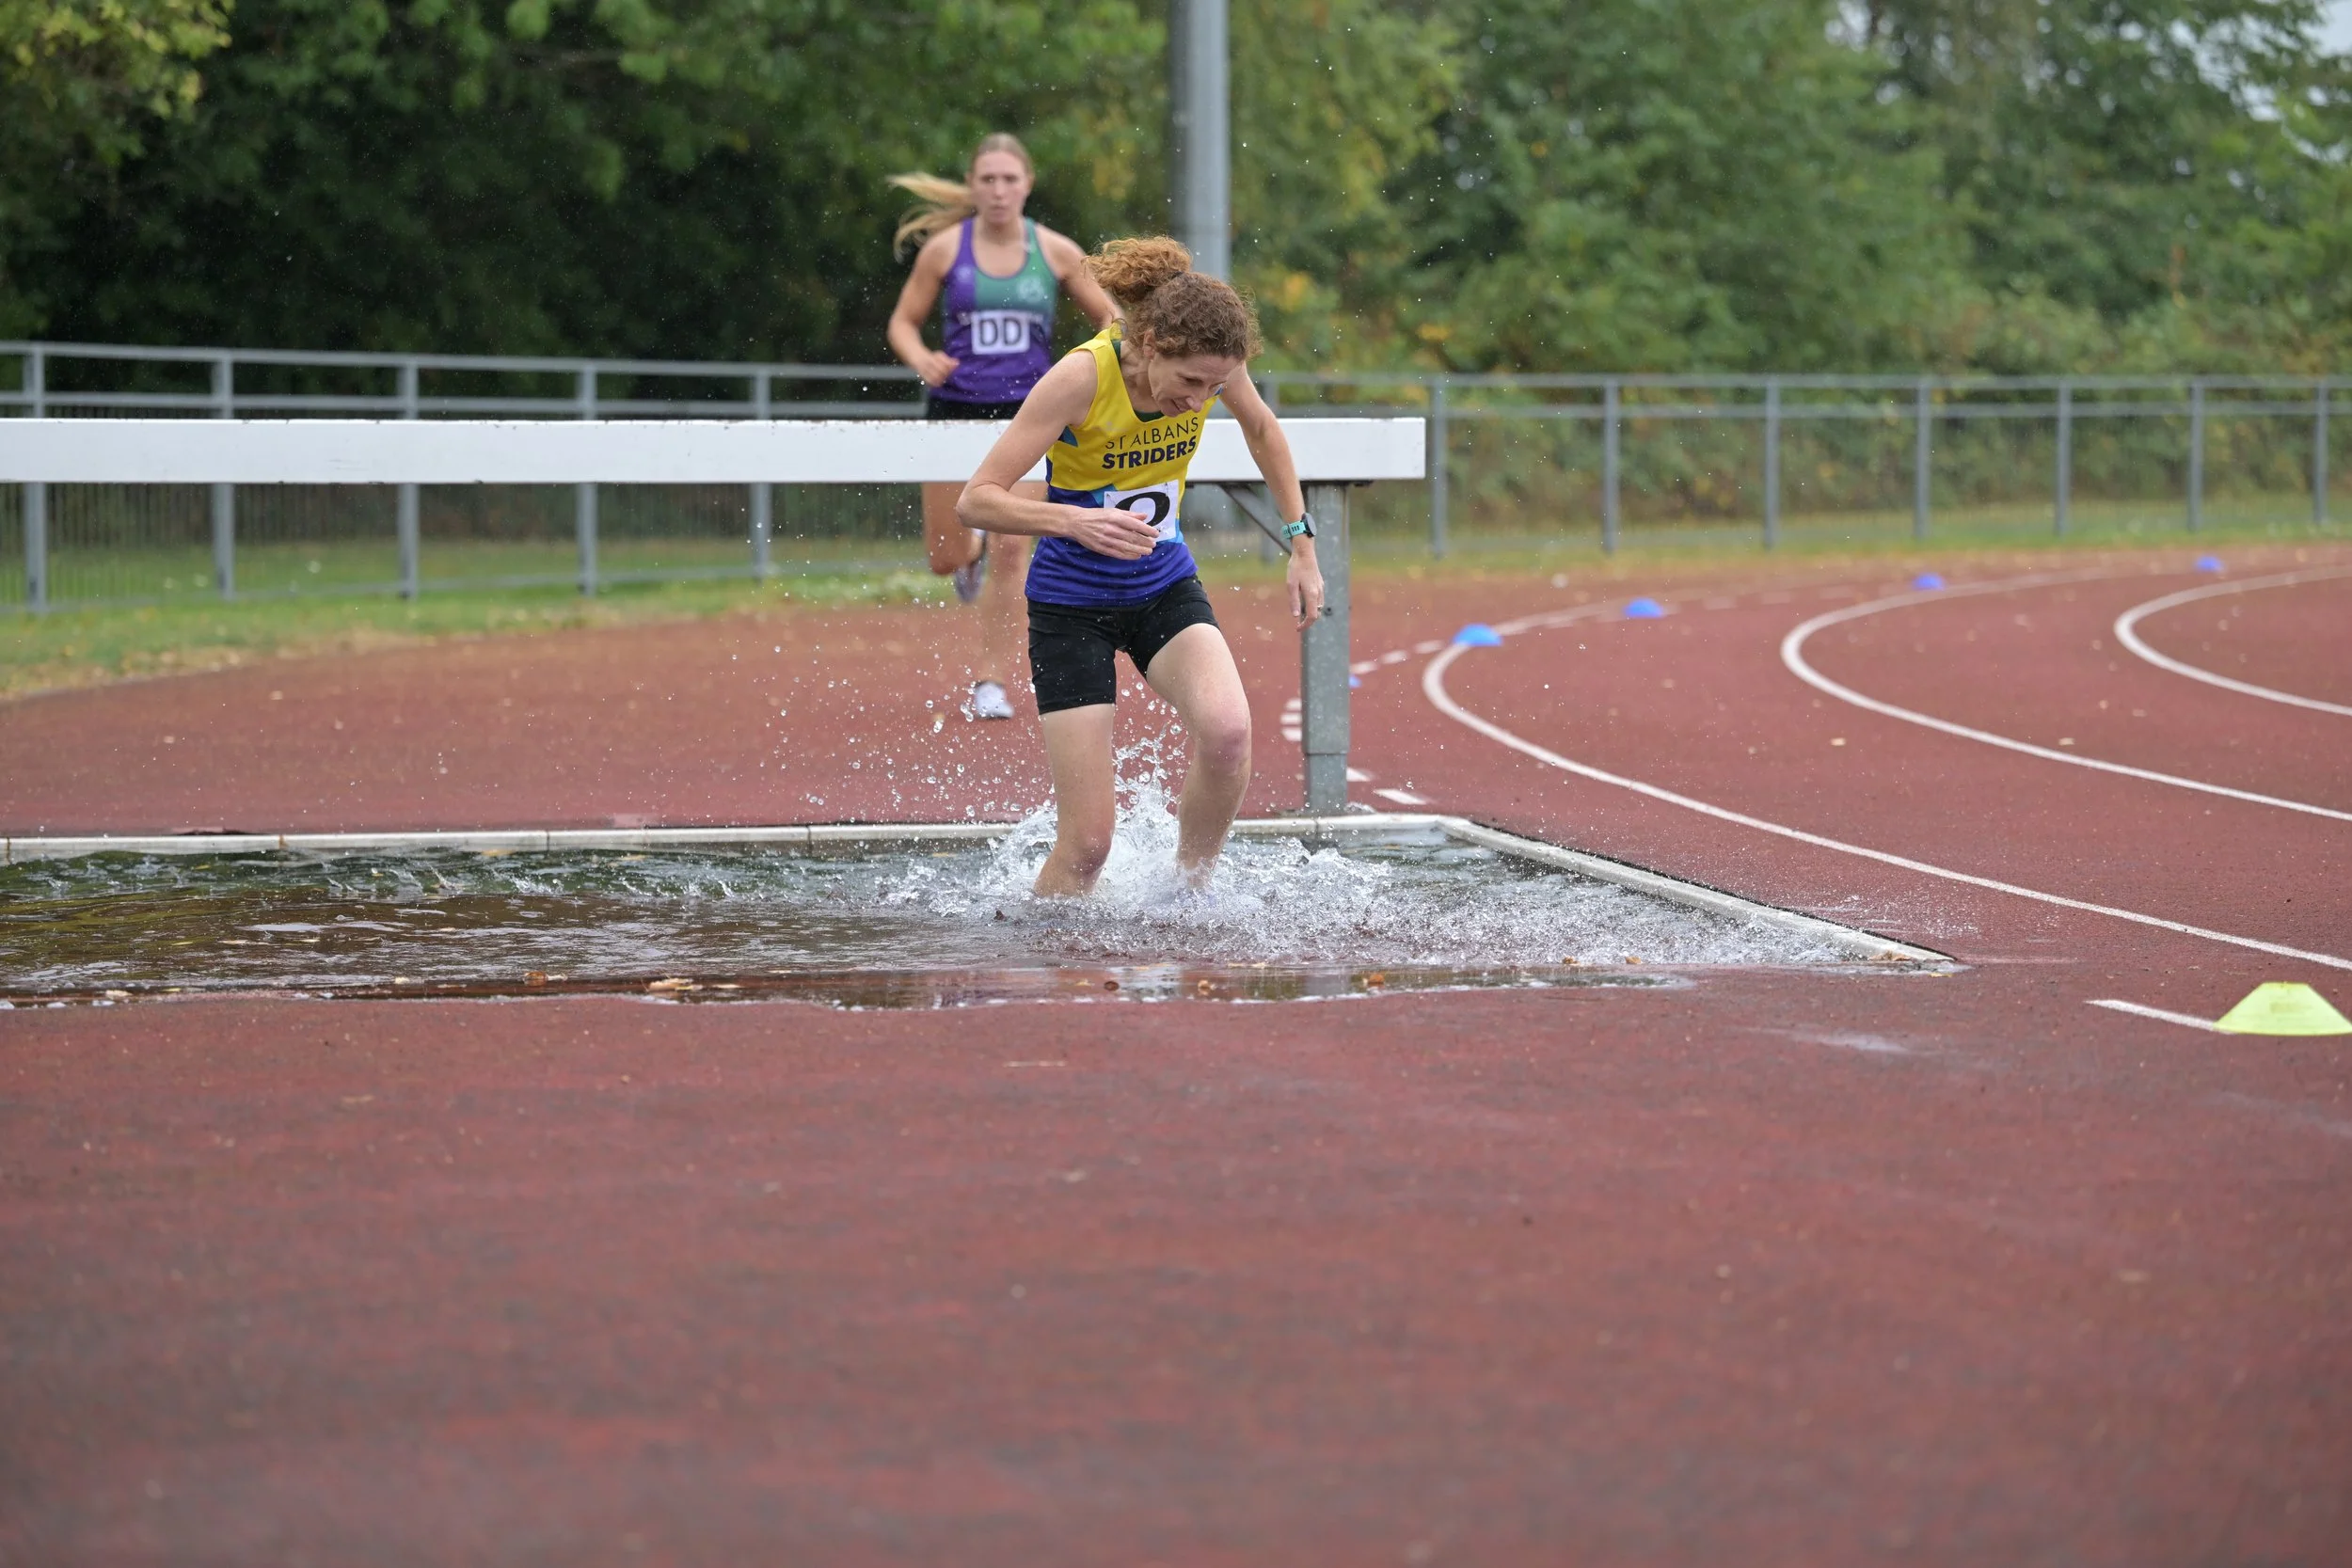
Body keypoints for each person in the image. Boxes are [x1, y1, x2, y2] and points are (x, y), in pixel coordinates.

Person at [957, 237, 1324, 896]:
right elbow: (976, 499)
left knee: (1228, 734)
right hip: (1071, 605)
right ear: (1151, 345)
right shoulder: (1080, 378)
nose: (1200, 401)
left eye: (1215, 387)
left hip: (1161, 584)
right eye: (1190, 384)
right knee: (1088, 845)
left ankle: (1188, 895)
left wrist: (1302, 545)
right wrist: (1073, 520)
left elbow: (1263, 429)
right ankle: (1042, 948)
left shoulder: (1214, 363)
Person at [885, 134, 1119, 721]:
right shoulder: (945, 250)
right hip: (954, 411)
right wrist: (922, 359)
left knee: (1014, 548)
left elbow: (1110, 317)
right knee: (944, 557)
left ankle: (990, 682)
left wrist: (1084, 368)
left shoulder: (1056, 251)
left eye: (1009, 179)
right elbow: (903, 324)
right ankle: (970, 554)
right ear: (972, 185)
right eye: (987, 179)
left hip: (1028, 415)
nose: (998, 190)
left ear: (1027, 185)